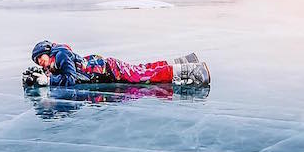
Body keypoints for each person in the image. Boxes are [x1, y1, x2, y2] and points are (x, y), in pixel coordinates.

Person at [28, 40, 210, 89]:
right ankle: (185, 62)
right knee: (143, 69)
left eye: (40, 58)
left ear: (47, 51)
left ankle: (193, 71)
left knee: (145, 76)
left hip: (111, 70)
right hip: (109, 67)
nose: (40, 63)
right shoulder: (58, 57)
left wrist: (48, 81)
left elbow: (71, 78)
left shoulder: (61, 55)